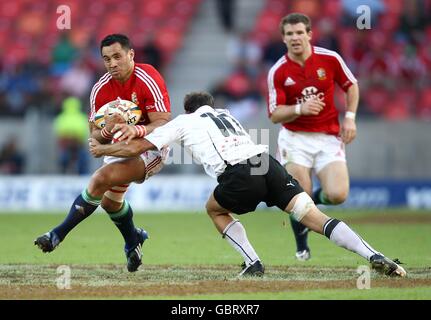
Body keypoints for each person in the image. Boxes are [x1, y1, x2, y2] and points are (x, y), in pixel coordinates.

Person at [88, 91, 406, 278]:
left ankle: (253, 262)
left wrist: (104, 149)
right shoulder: (226, 114)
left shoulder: (183, 122)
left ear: (189, 110)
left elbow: (137, 149)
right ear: (210, 104)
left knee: (213, 208)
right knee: (315, 218)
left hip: (238, 172)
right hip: (266, 163)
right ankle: (373, 254)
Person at [34, 34, 171, 272]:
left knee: (100, 178)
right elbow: (94, 135)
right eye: (107, 59)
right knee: (109, 203)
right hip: (119, 146)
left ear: (131, 54)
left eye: (117, 56)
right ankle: (133, 241)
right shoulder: (100, 89)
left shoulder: (147, 77)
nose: (112, 63)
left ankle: (57, 234)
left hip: (151, 146)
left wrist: (133, 128)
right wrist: (106, 129)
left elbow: (163, 123)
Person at [267, 13, 360, 261]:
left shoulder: (330, 59)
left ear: (309, 34)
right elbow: (275, 115)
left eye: (299, 32)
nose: (295, 37)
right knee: (299, 196)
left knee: (338, 195)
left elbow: (351, 85)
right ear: (284, 38)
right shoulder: (278, 71)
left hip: (328, 137)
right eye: (289, 34)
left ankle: (311, 204)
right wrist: (300, 109)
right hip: (295, 139)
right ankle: (301, 245)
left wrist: (349, 117)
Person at [53, 96, 89, 174]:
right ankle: (83, 177)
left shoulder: (61, 118)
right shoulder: (82, 118)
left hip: (71, 146)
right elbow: (86, 135)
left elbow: (59, 135)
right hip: (76, 146)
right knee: (83, 160)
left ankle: (63, 175)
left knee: (64, 160)